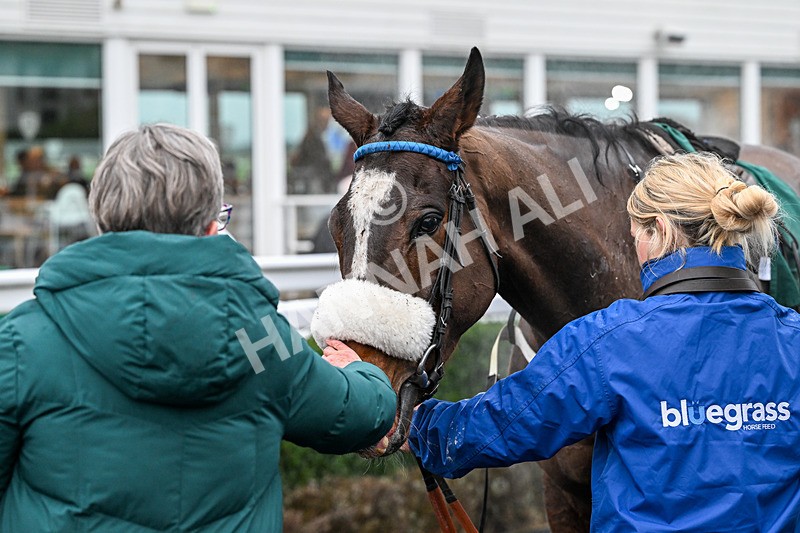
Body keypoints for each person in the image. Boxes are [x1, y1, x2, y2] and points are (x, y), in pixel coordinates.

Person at [0, 123, 396, 532]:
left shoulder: (23, 341)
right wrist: (359, 371)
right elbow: (361, 414)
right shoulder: (261, 342)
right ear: (210, 226)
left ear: (102, 218)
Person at [407, 152, 800, 531]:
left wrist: (418, 426)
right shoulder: (792, 337)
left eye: (635, 237)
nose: (637, 252)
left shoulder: (611, 340)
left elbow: (507, 422)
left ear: (659, 230)